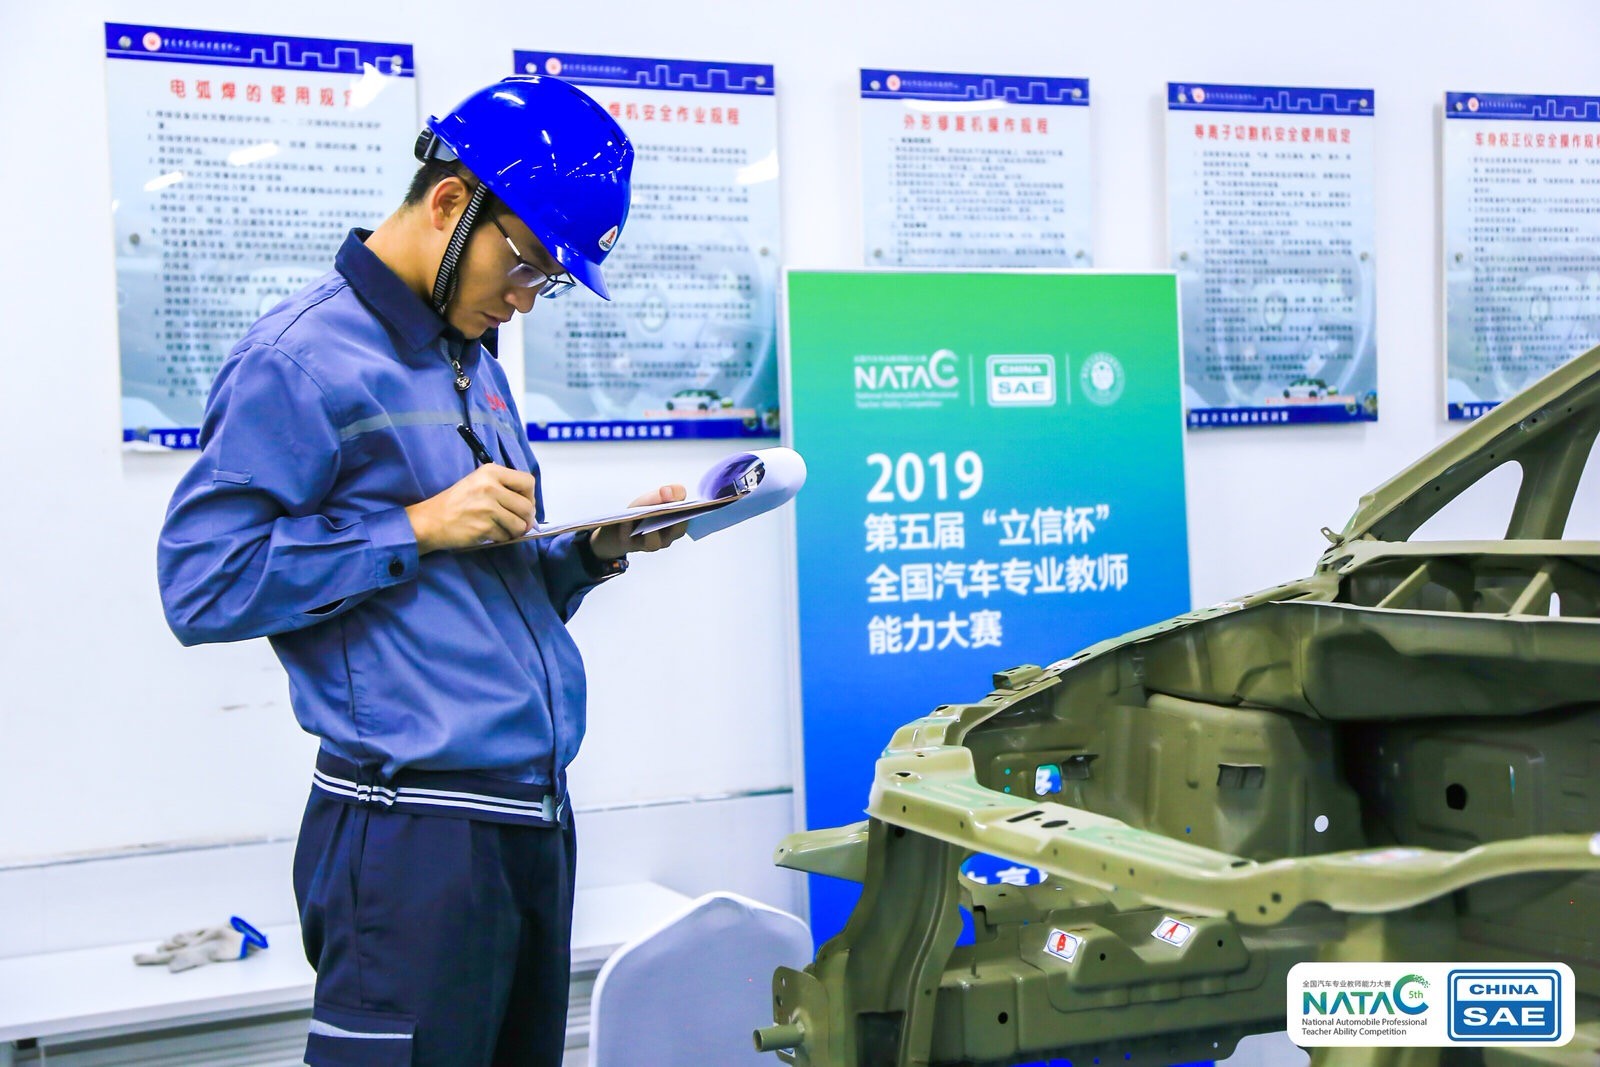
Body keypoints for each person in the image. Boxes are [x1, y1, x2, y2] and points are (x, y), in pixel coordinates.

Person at [157, 76, 684, 1066]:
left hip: (530, 821)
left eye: (547, 283)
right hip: (411, 839)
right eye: (525, 265)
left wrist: (593, 550)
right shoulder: (299, 360)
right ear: (450, 202)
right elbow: (202, 583)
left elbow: (475, 591)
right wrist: (416, 524)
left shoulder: (469, 358)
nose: (523, 301)